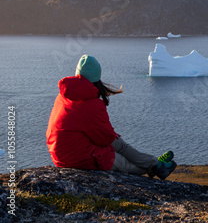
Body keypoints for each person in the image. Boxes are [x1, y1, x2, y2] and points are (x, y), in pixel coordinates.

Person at [46, 55, 176, 179]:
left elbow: (101, 135)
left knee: (120, 144)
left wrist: (113, 139)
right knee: (124, 163)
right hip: (76, 158)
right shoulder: (91, 104)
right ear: (97, 77)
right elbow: (104, 140)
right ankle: (155, 167)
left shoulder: (65, 95)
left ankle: (155, 163)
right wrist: (112, 139)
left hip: (63, 152)